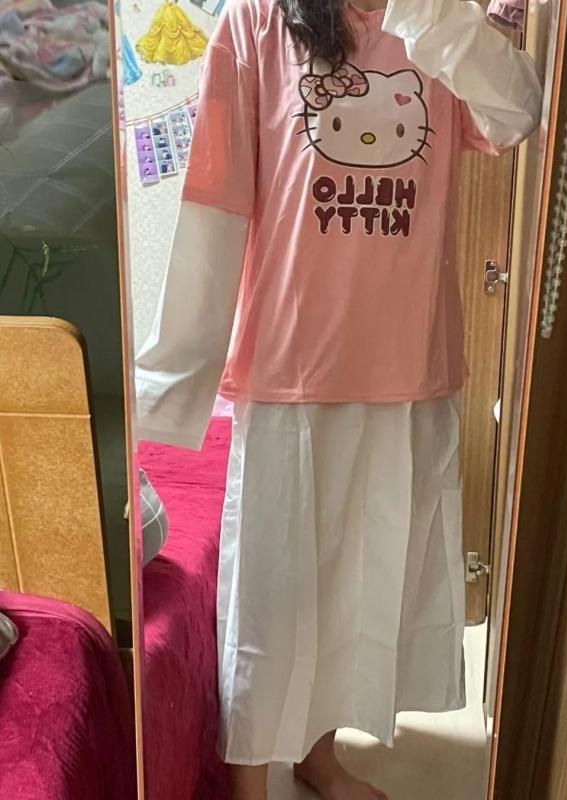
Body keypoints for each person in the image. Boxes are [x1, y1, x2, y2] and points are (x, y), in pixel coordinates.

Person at [135, 1, 542, 798]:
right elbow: (214, 201)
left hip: (406, 365)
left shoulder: (435, 23)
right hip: (293, 370)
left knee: (361, 589)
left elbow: (514, 112)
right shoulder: (257, 24)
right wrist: (174, 377)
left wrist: (435, 12)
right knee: (274, 598)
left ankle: (319, 755)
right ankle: (249, 778)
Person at [136, 0, 209, 66]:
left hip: (171, 10)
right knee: (165, 30)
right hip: (168, 11)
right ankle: (164, 54)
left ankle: (165, 54)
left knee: (178, 28)